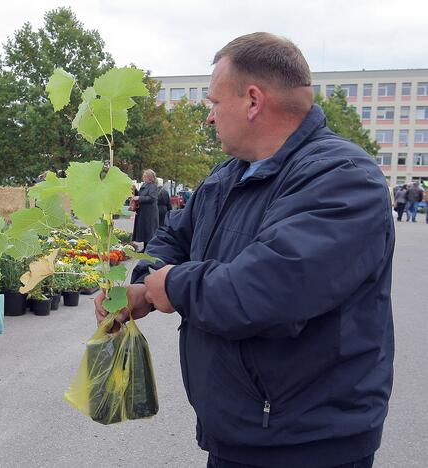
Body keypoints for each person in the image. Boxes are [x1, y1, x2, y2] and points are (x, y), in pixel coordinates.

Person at [96, 32, 394, 468]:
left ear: (253, 101)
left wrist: (174, 284)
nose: (209, 119)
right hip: (242, 428)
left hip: (308, 443)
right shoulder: (226, 177)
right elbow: (170, 241)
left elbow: (264, 291)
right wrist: (139, 287)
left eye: (214, 104)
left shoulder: (344, 178)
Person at [131, 169, 159, 250]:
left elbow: (152, 198)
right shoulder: (145, 185)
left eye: (144, 176)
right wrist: (135, 190)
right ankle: (145, 248)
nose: (143, 177)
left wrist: (139, 197)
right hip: (143, 212)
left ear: (148, 177)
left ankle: (149, 250)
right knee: (145, 231)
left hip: (149, 213)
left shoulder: (152, 186)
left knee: (149, 231)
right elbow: (140, 194)